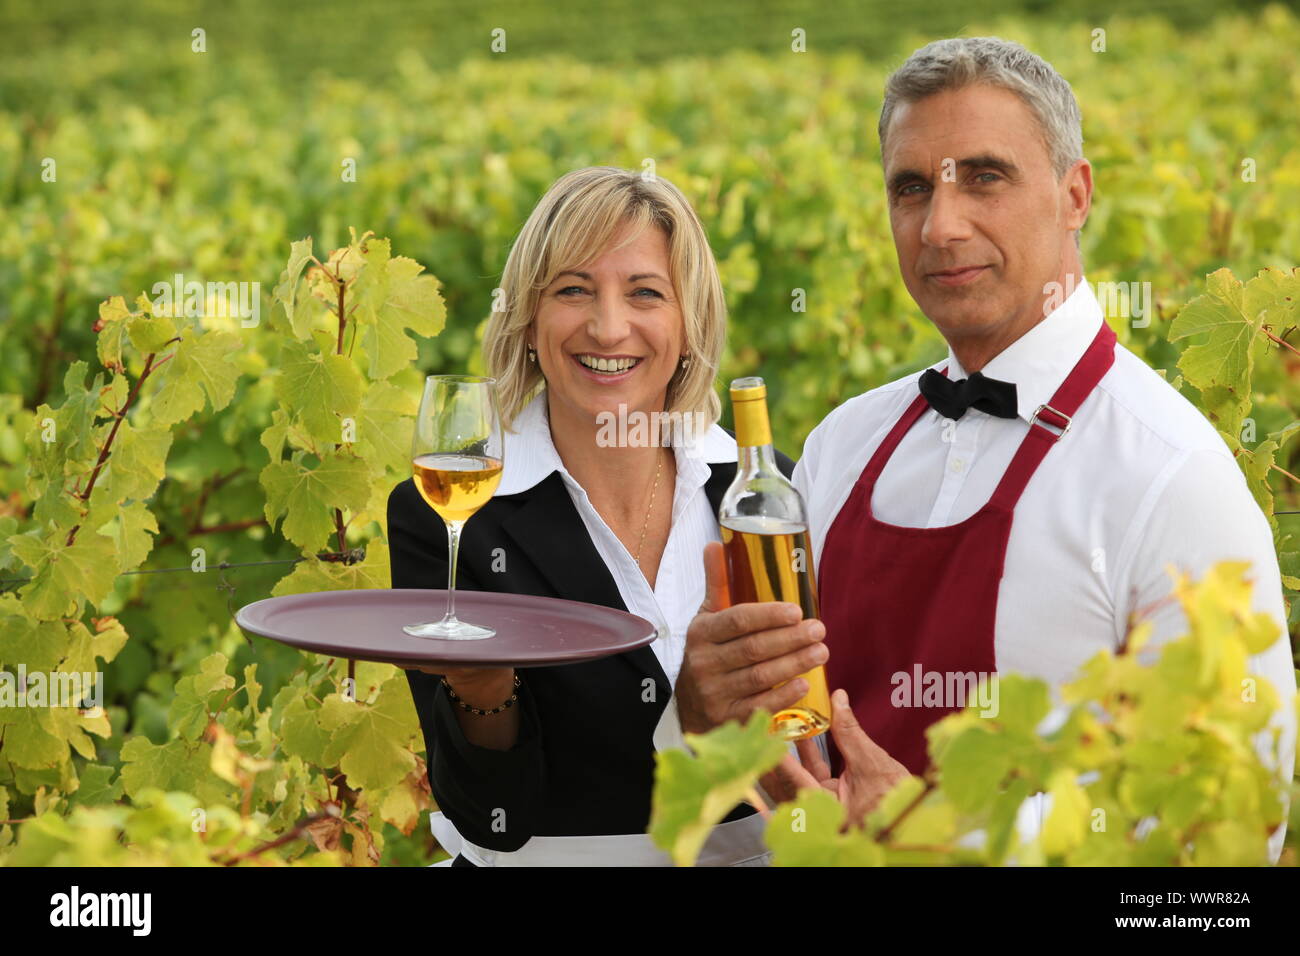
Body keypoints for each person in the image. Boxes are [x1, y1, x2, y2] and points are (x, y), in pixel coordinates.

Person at [667, 37, 1297, 862]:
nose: (940, 225)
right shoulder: (841, 446)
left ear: (1076, 195)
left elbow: (1234, 831)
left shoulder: (1170, 477)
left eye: (985, 178)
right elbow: (786, 769)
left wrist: (951, 836)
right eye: (912, 188)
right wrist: (712, 721)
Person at [386, 166, 804, 865]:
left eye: (645, 293)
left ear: (688, 323)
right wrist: (484, 697)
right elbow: (490, 817)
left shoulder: (764, 493)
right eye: (573, 291)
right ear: (527, 318)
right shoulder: (449, 513)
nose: (609, 328)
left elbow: (813, 746)